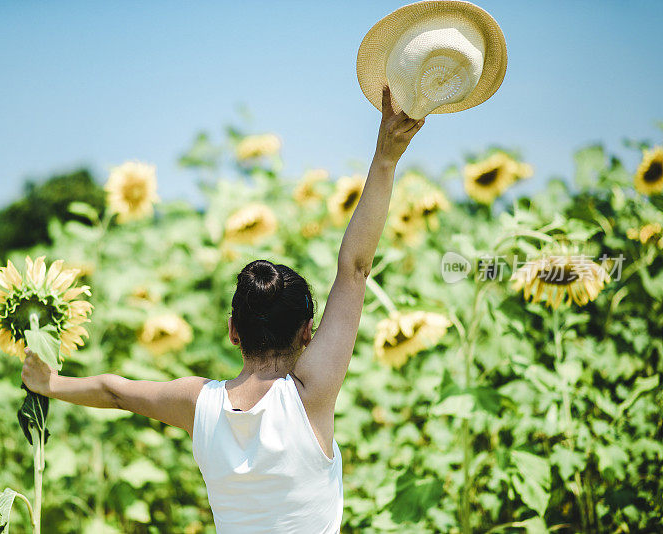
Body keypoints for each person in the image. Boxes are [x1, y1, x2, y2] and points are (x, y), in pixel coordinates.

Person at [21, 86, 424, 533]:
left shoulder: (198, 404)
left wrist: (50, 382)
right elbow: (355, 268)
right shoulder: (311, 396)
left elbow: (116, 392)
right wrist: (385, 157)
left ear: (234, 330)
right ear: (307, 331)